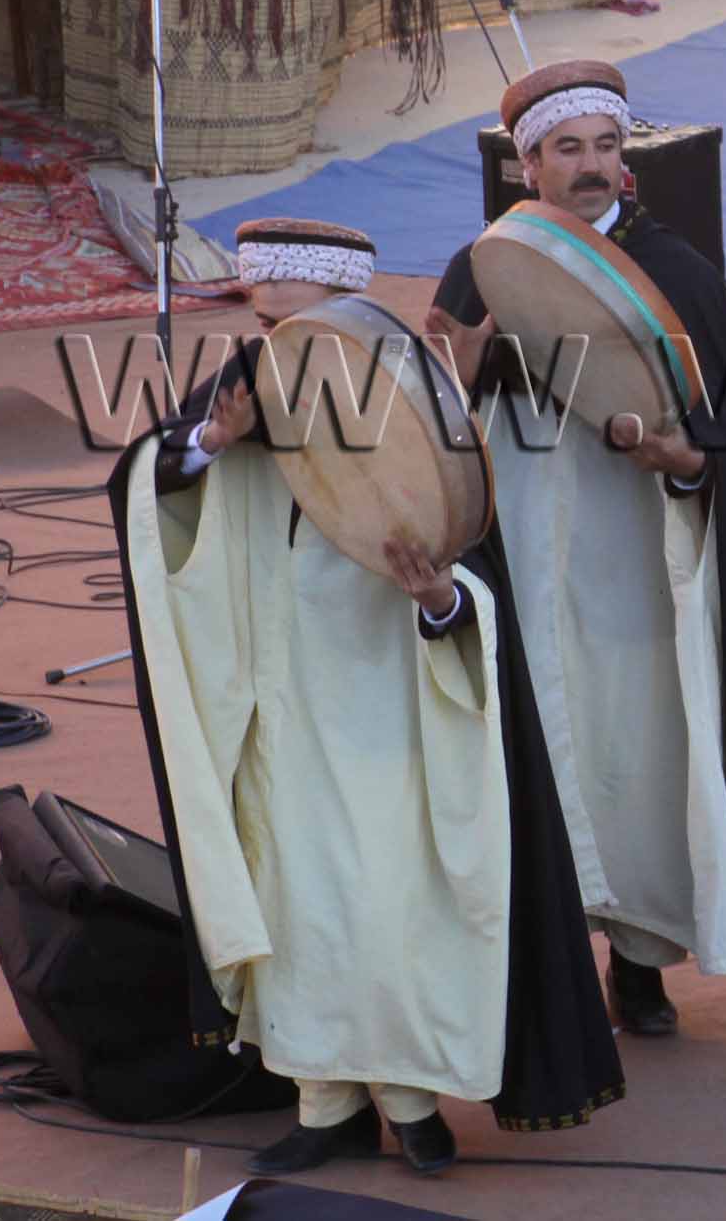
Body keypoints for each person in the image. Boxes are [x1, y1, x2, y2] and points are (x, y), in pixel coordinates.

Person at [106, 217, 620, 1176]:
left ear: (349, 318)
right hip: (277, 703)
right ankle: (323, 1103)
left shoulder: (415, 408)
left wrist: (439, 602)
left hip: (394, 706)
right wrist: (209, 445)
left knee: (393, 900)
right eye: (267, 323)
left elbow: (475, 576)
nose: (278, 346)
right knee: (301, 902)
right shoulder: (240, 393)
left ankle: (412, 1101)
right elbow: (148, 488)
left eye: (301, 324)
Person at [428, 61, 726, 1034]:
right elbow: (437, 426)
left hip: (641, 573)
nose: (592, 167)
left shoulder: (674, 272)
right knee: (535, 760)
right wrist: (459, 383)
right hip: (523, 560)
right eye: (568, 149)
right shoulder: (485, 268)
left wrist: (684, 462)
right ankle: (544, 972)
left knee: (640, 763)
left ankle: (639, 965)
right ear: (528, 167)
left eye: (606, 146)